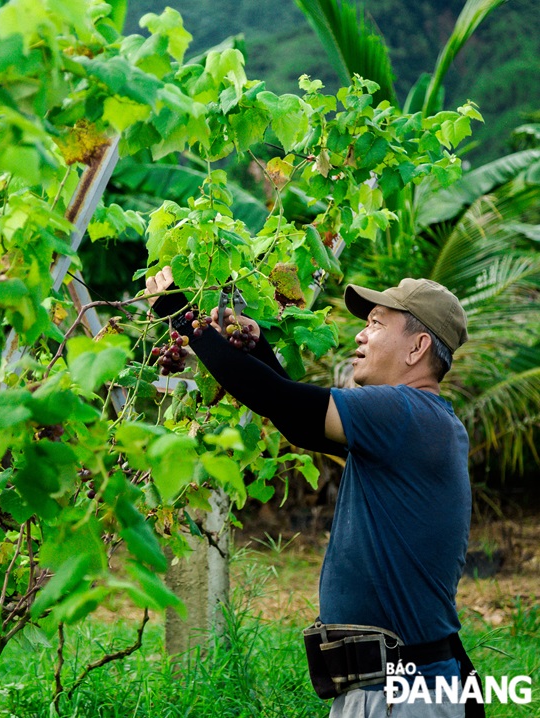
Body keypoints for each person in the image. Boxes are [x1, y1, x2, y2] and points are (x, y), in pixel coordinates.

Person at [145, 266, 481, 718]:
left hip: (403, 696)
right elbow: (296, 418)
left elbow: (287, 404)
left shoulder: (405, 413)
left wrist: (183, 317)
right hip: (392, 688)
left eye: (377, 324)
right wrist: (258, 345)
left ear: (418, 347)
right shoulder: (414, 423)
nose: (362, 336)